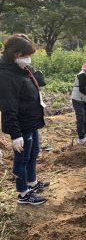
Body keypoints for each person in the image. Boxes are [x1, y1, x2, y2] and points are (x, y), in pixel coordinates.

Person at [0, 34, 50, 205]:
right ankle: (23, 194)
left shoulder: (21, 68)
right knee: (22, 159)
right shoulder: (6, 75)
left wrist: (36, 75)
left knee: (34, 152)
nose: (29, 59)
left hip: (31, 120)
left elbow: (35, 84)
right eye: (26, 55)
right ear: (16, 54)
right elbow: (8, 107)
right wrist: (15, 134)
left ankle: (32, 183)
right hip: (21, 125)